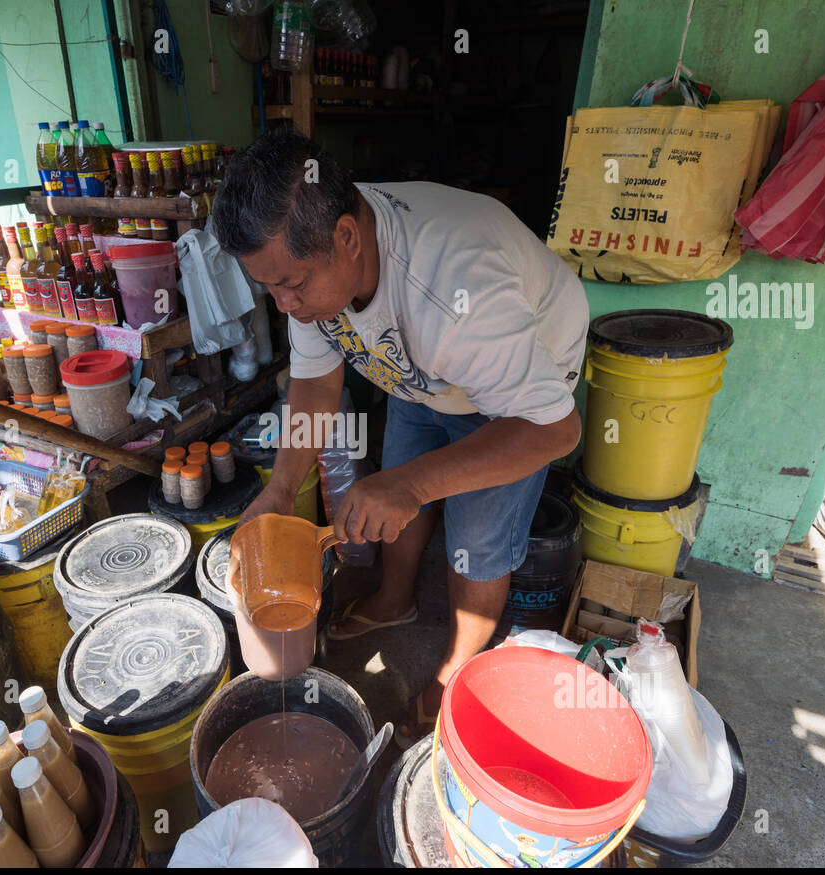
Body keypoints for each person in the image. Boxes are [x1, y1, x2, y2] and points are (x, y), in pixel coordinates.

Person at [213, 130, 588, 747]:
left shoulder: (455, 293)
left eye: (293, 285)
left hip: (517, 401)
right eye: (269, 287)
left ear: (347, 238)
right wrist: (281, 490)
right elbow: (313, 380)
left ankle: (454, 671)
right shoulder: (314, 269)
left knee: (475, 542)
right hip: (423, 374)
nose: (284, 304)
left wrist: (413, 484)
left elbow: (554, 428)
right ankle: (395, 598)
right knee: (393, 487)